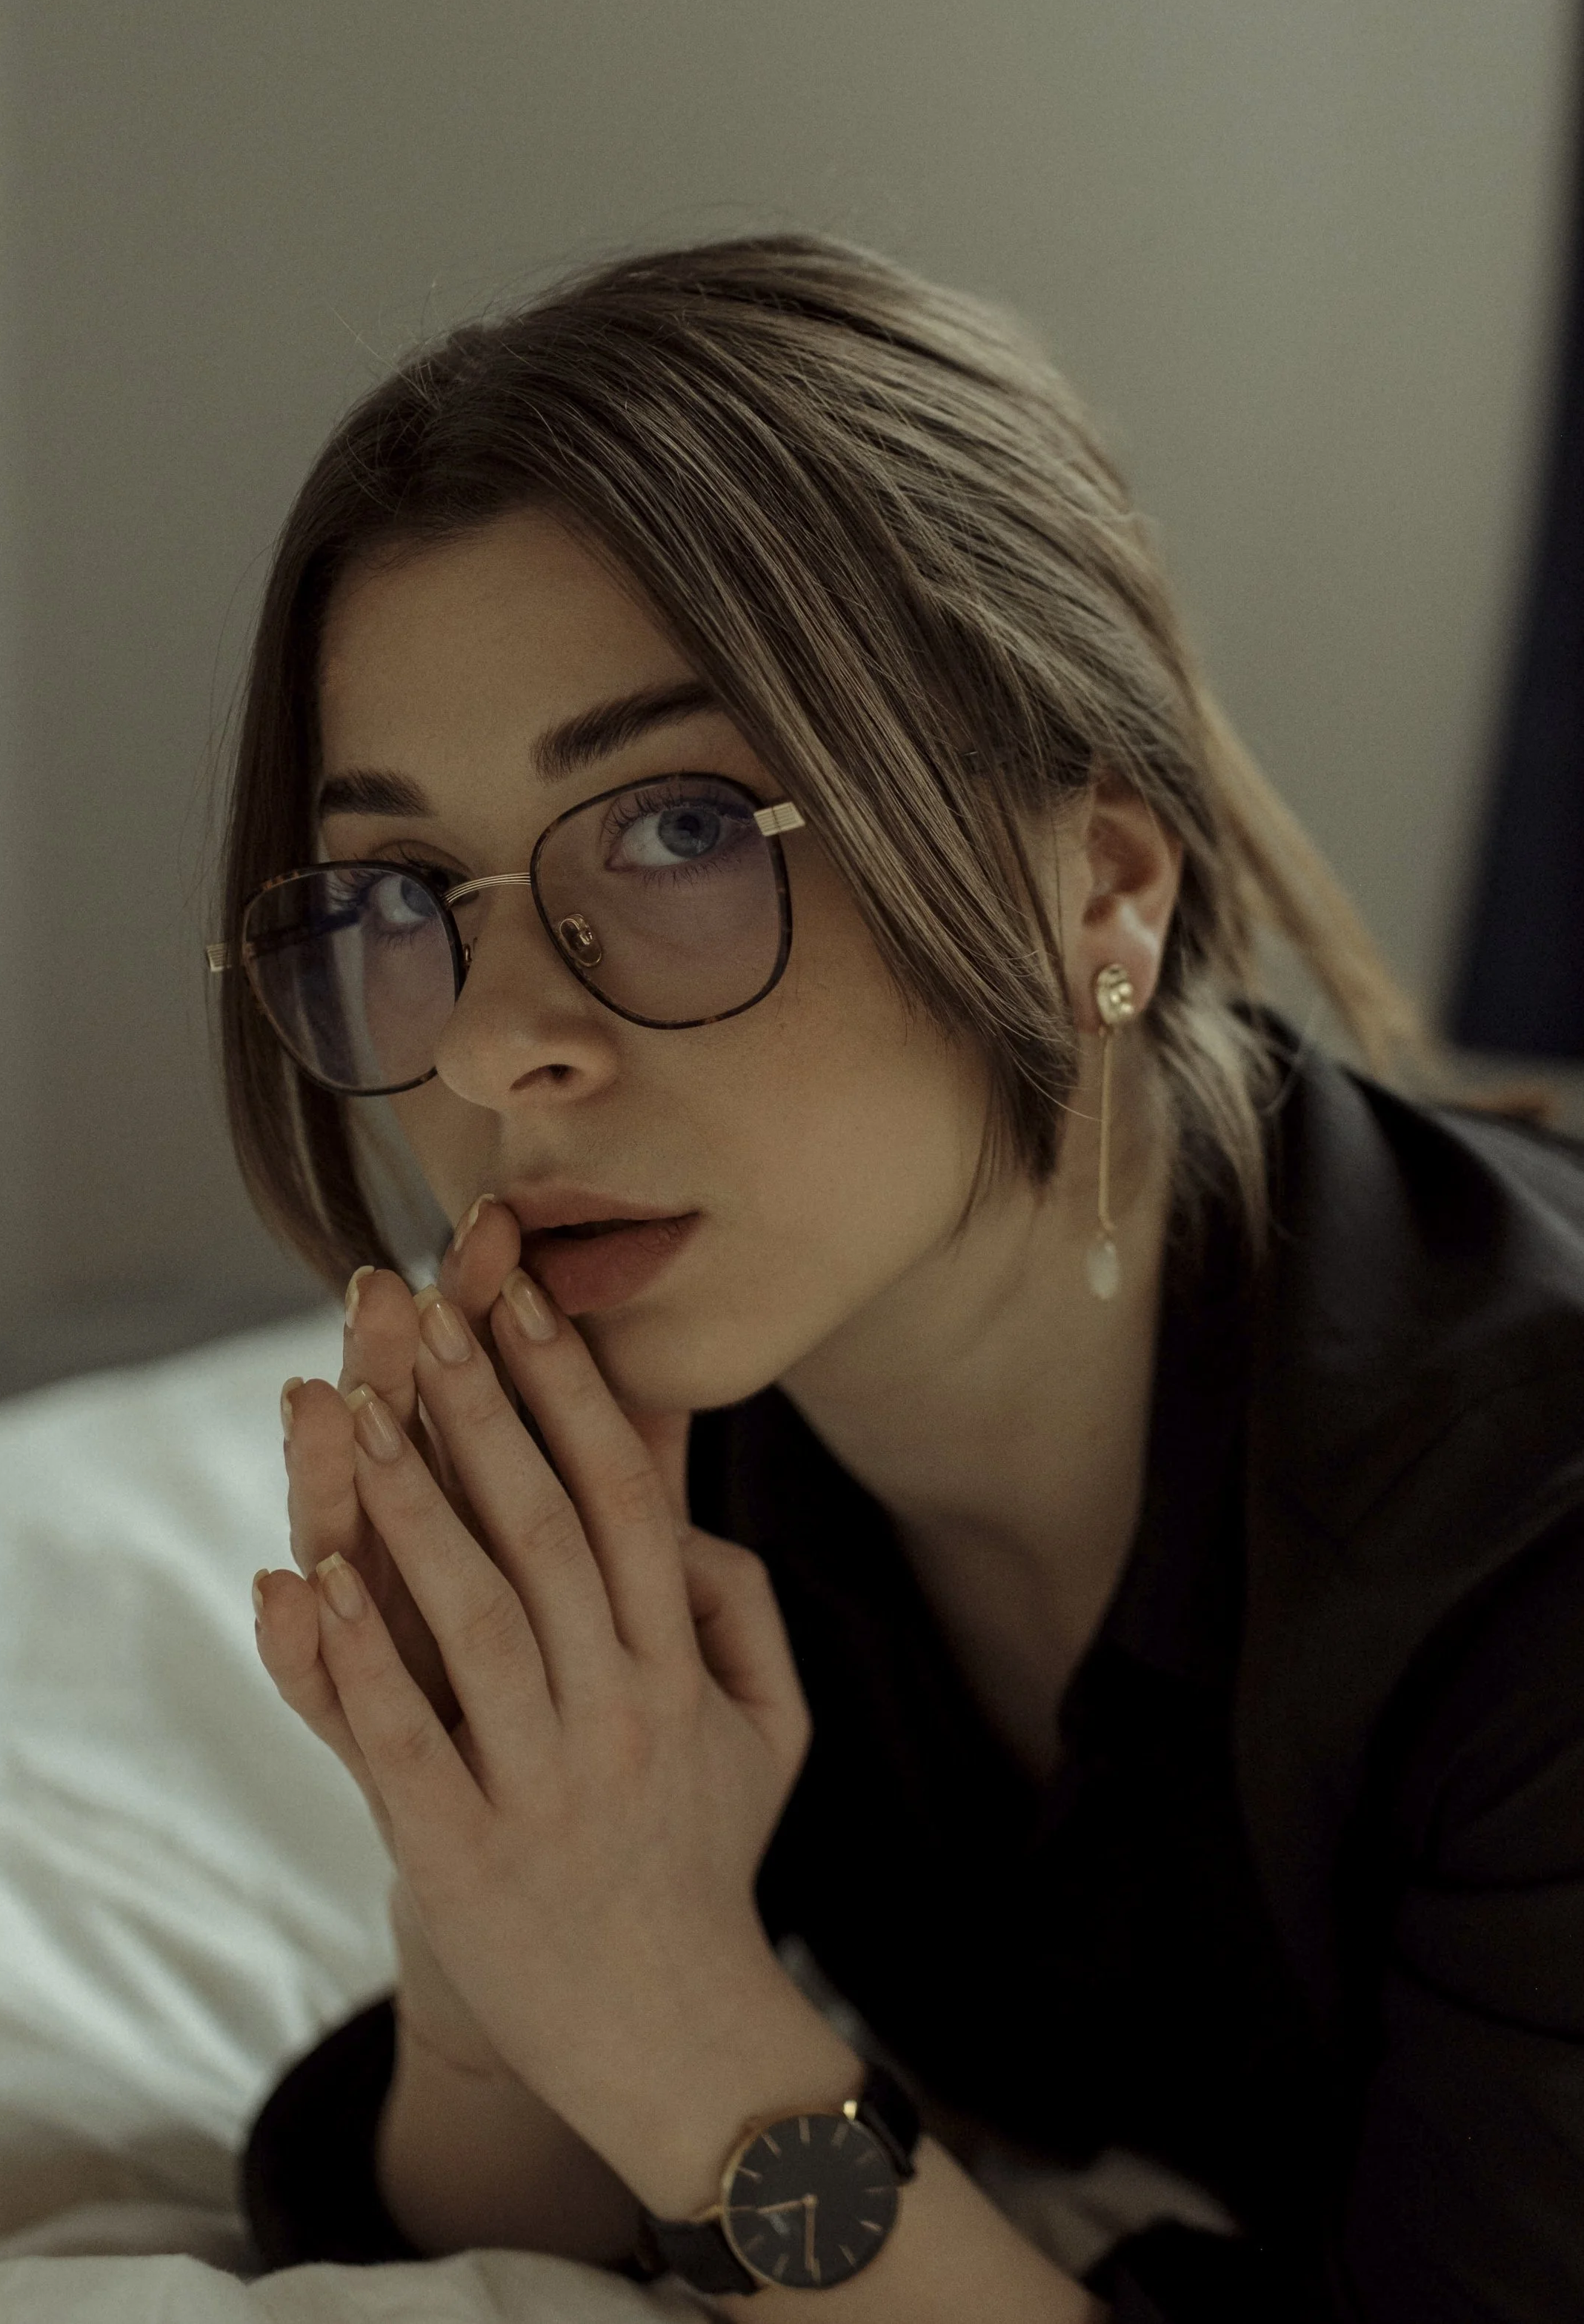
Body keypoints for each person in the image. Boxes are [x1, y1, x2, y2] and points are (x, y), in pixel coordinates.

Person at [210, 235, 1584, 2320]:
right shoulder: (707, 1425)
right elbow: (459, 2238)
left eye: (673, 832)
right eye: (400, 891)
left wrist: (681, 2027)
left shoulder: (1530, 1562)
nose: (492, 1049)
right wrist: (502, 1918)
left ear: (1102, 885)